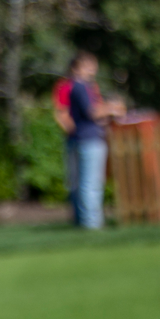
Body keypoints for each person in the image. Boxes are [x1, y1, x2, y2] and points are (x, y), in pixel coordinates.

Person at [60, 52, 122, 230]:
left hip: (80, 138)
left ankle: (81, 221)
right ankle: (91, 224)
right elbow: (92, 112)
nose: (93, 69)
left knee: (80, 184)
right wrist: (112, 109)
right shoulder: (81, 86)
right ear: (77, 67)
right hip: (89, 139)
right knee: (91, 184)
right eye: (88, 65)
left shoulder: (76, 87)